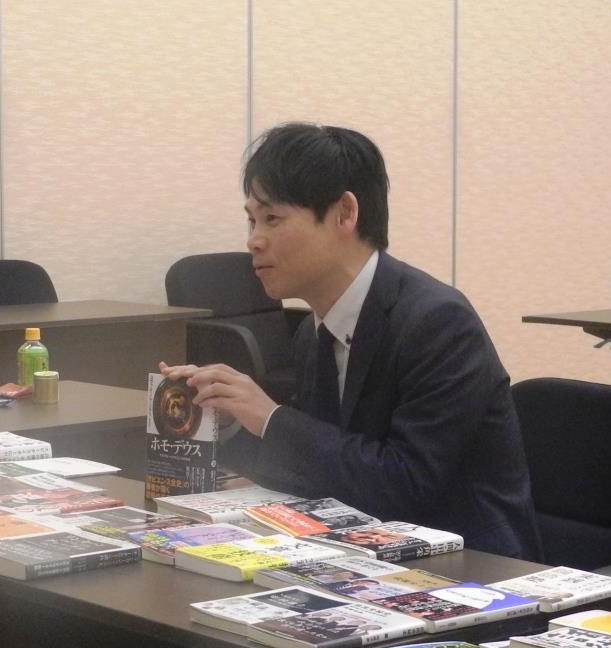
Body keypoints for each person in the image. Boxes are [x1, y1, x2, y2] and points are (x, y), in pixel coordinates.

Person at [162, 122, 540, 560]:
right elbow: (316, 466)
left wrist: (270, 417)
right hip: (362, 555)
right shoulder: (314, 332)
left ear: (344, 213)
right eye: (251, 220)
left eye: (272, 218)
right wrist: (230, 418)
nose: (254, 241)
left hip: (473, 565)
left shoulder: (438, 322)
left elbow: (406, 486)